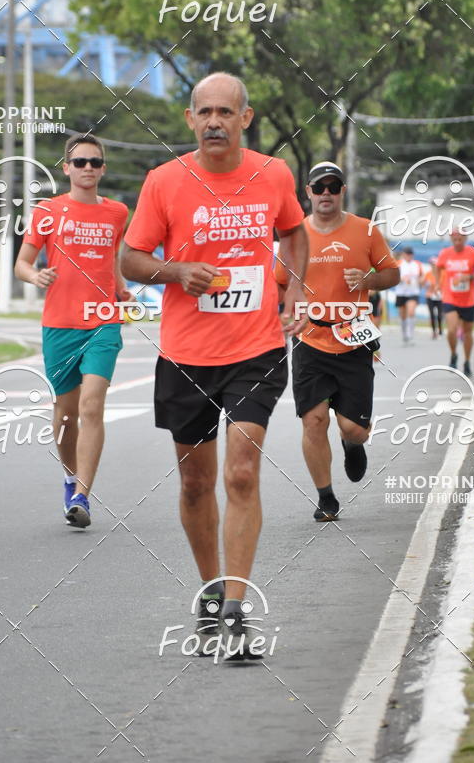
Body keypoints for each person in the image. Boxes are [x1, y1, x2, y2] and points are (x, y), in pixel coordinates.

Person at [121, 72, 307, 660]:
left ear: (245, 119)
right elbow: (130, 257)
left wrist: (294, 293)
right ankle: (208, 587)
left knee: (242, 473)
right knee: (197, 482)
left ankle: (235, 602)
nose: (214, 122)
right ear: (189, 118)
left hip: (255, 349)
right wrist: (176, 272)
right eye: (204, 112)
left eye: (226, 112)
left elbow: (294, 234)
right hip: (185, 356)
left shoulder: (273, 175)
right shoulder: (164, 182)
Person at [15, 134, 130, 528]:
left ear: (103, 168)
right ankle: (69, 477)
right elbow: (22, 263)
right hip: (60, 324)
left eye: (94, 162)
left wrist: (120, 288)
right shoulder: (48, 212)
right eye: (79, 162)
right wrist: (36, 275)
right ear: (66, 168)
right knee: (66, 415)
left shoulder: (117, 212)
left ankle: (82, 494)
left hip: (103, 319)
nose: (87, 168)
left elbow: (113, 256)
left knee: (92, 404)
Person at [276, 162, 399, 522]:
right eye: (319, 187)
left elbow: (393, 273)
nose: (326, 193)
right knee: (313, 421)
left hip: (353, 338)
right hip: (310, 341)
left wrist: (368, 280)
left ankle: (352, 444)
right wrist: (284, 315)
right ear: (308, 192)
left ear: (342, 190)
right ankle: (325, 497)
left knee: (354, 428)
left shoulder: (365, 230)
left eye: (333, 186)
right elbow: (280, 282)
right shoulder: (294, 235)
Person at [436, 229, 474, 376]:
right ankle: (453, 354)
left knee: (467, 332)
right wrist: (439, 283)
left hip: (468, 299)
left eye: (460, 239)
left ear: (465, 239)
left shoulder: (472, 253)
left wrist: (469, 277)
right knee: (451, 329)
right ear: (451, 239)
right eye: (455, 239)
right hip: (450, 297)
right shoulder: (445, 253)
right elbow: (437, 267)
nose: (457, 242)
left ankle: (467, 361)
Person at [395, 247, 423, 345]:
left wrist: (421, 282)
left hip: (413, 292)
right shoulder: (398, 264)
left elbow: (421, 277)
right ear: (403, 254)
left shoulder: (417, 264)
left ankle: (410, 334)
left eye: (410, 254)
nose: (409, 256)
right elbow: (394, 278)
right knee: (403, 315)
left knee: (411, 312)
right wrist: (403, 279)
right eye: (407, 254)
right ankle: (404, 335)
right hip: (401, 292)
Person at [423, 258, 443, 339]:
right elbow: (424, 284)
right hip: (430, 296)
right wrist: (428, 285)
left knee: (439, 315)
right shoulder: (428, 274)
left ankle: (440, 329)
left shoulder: (442, 274)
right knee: (432, 314)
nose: (433, 266)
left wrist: (438, 289)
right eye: (432, 265)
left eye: (434, 265)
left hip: (440, 297)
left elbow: (445, 285)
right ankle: (434, 331)